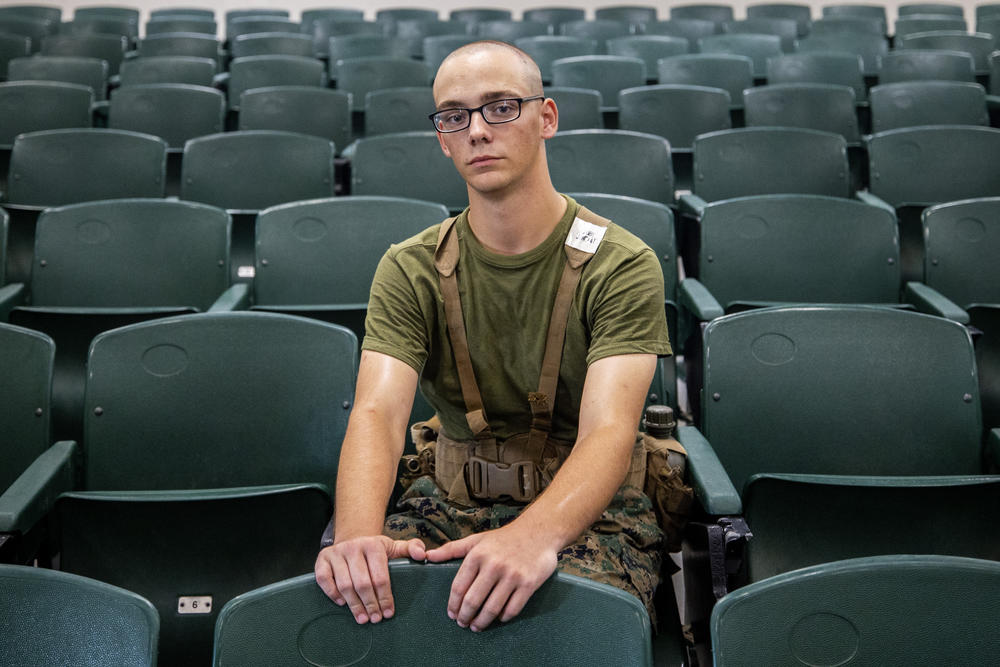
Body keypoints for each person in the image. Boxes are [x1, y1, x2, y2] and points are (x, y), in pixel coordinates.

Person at [314, 40, 672, 633]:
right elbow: (377, 412)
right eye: (454, 115)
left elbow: (610, 430)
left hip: (587, 513)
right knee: (360, 608)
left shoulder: (621, 262)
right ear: (443, 138)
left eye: (501, 107)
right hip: (446, 500)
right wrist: (358, 539)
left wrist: (531, 538)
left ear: (546, 118)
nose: (478, 130)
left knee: (566, 628)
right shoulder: (410, 266)